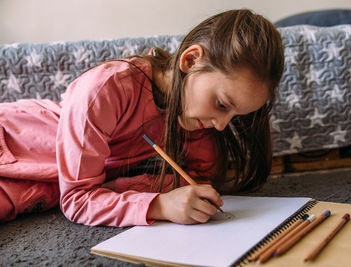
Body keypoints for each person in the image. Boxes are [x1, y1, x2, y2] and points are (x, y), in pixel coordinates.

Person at [0, 9, 284, 226]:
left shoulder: (201, 123)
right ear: (190, 61)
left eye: (235, 117)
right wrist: (158, 205)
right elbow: (78, 199)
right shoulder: (106, 89)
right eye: (222, 105)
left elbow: (198, 185)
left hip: (39, 189)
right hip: (14, 141)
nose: (222, 125)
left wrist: (132, 190)